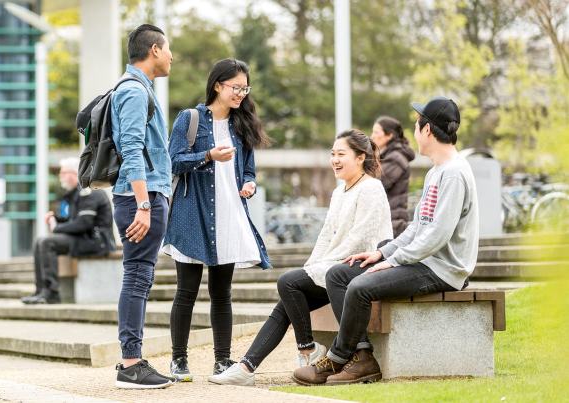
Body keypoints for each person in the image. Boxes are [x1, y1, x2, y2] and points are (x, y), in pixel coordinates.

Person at [294, 96, 478, 386]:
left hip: (443, 269)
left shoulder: (454, 173)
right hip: (422, 259)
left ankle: (341, 358)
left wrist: (393, 261)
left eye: (417, 126)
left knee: (360, 285)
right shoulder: (436, 172)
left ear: (427, 130)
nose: (415, 132)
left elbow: (437, 236)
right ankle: (362, 356)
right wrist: (381, 255)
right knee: (339, 273)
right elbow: (418, 227)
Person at [210, 129, 393, 386]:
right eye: (332, 154)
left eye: (341, 154)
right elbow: (326, 236)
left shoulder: (371, 188)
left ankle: (286, 355)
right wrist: (314, 265)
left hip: (364, 265)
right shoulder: (339, 192)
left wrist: (324, 265)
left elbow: (362, 238)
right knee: (290, 287)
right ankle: (250, 365)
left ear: (361, 157)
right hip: (337, 267)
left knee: (289, 282)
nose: (335, 160)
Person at [162, 58, 272, 382]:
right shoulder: (190, 119)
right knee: (187, 291)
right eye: (235, 87)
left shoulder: (242, 125)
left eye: (244, 88)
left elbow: (249, 168)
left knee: (222, 293)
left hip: (229, 214)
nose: (240, 93)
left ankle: (222, 361)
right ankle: (178, 361)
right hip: (193, 214)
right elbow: (174, 162)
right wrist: (208, 156)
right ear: (217, 86)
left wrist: (250, 183)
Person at [110, 23, 175, 389]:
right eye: (167, 49)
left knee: (139, 276)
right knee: (136, 276)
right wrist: (144, 205)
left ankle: (131, 360)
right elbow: (132, 149)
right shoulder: (135, 91)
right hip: (141, 197)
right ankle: (131, 363)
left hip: (146, 194)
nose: (171, 57)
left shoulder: (138, 89)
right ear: (154, 50)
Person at [21, 158, 115, 304]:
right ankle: (41, 291)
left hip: (97, 242)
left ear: (74, 174)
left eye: (63, 173)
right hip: (84, 238)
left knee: (47, 242)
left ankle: (51, 293)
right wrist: (57, 219)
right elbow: (74, 220)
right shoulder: (76, 193)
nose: (60, 177)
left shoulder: (90, 191)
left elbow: (83, 223)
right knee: (39, 241)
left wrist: (57, 227)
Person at [371, 116, 416, 236]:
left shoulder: (396, 158)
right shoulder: (386, 155)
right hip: (385, 222)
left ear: (389, 135)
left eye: (376, 132)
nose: (372, 136)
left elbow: (374, 184)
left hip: (392, 224)